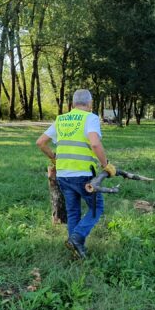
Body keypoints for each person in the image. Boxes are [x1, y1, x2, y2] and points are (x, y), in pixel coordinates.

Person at [36, 89, 116, 259]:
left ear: (72, 104)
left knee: (73, 212)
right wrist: (106, 165)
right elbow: (95, 144)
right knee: (96, 208)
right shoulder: (90, 118)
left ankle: (76, 251)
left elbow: (41, 142)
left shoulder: (61, 119)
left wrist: (54, 158)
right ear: (90, 103)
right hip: (83, 174)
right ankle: (77, 238)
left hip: (64, 174)